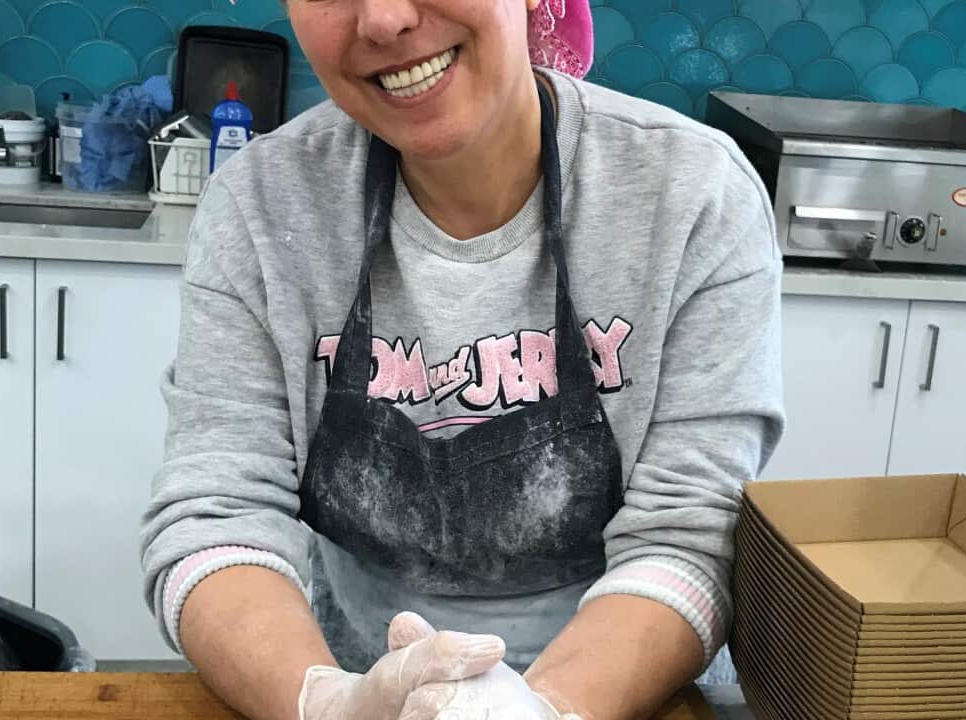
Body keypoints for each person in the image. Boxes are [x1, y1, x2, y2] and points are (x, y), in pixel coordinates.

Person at [140, 1, 784, 718]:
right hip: (348, 678)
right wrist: (330, 704)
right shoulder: (260, 205)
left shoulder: (692, 194)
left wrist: (545, 710)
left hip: (627, 697)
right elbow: (218, 518)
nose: (382, 18)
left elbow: (688, 537)